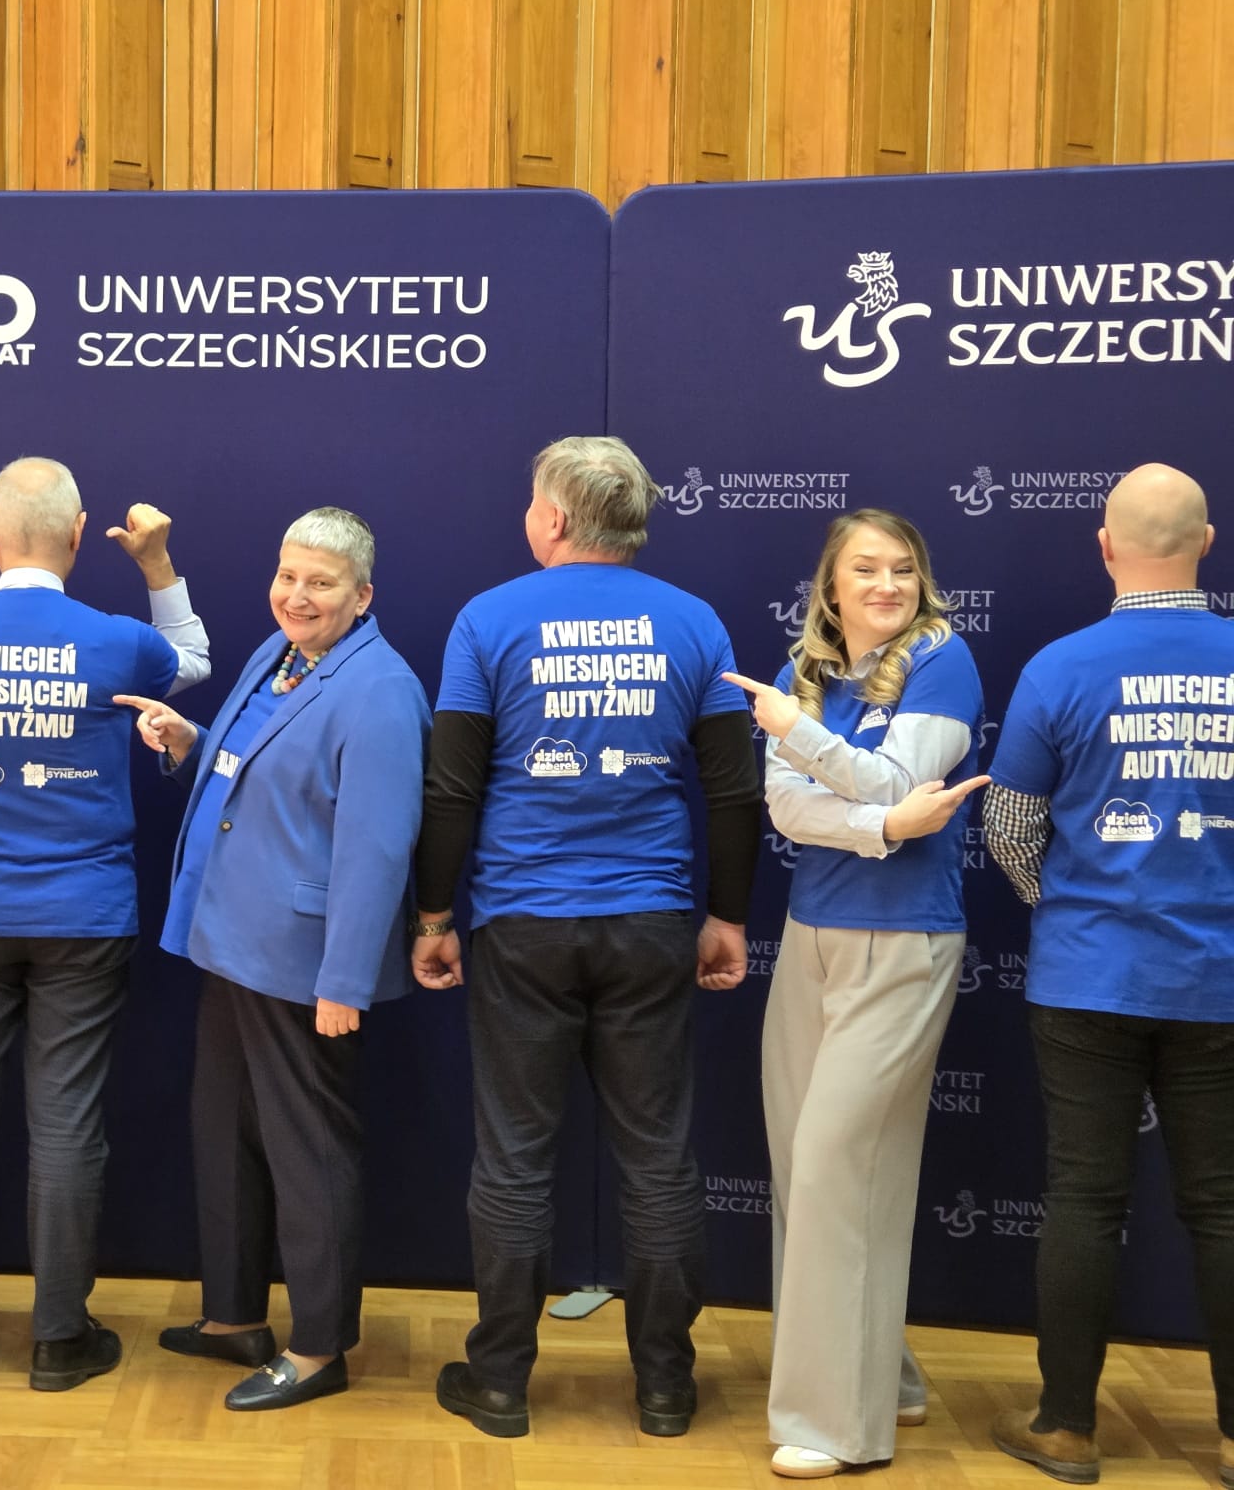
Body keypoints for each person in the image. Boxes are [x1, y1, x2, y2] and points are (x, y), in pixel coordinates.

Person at [412, 435, 763, 1441]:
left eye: (533, 501)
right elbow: (733, 792)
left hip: (520, 923)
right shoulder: (693, 622)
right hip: (650, 923)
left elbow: (451, 787)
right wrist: (728, 915)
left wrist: (433, 917)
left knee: (515, 1158)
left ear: (556, 518)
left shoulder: (488, 619)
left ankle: (499, 1383)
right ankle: (665, 1388)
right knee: (657, 1159)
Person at [0, 456, 209, 1391]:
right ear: (78, 536)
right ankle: (58, 1341)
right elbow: (190, 660)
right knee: (66, 1122)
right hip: (83, 915)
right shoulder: (118, 641)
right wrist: (157, 565)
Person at [117, 507, 428, 1411]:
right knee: (224, 1132)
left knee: (308, 1152)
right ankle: (234, 1318)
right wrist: (189, 741)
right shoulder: (280, 653)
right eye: (288, 575)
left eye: (321, 583)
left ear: (362, 596)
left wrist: (345, 979)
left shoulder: (381, 690)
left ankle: (320, 1346)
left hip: (302, 962)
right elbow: (249, 762)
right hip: (229, 941)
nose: (297, 595)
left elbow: (377, 849)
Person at [982, 463, 1234, 1489]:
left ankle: (1066, 1429)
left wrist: (1069, 909)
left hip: (1087, 975)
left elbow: (1007, 825)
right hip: (1220, 979)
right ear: (1205, 543)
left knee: (1084, 1200)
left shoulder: (1059, 667)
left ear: (1103, 547)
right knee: (1222, 1207)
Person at [722, 509, 987, 1480]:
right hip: (811, 936)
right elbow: (790, 807)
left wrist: (803, 741)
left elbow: (894, 776)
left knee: (841, 1165)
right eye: (865, 570)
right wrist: (881, 826)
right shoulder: (807, 671)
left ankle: (837, 1426)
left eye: (901, 569)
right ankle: (886, 1376)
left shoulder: (942, 658)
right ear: (830, 587)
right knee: (805, 1166)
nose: (886, 585)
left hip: (904, 938)